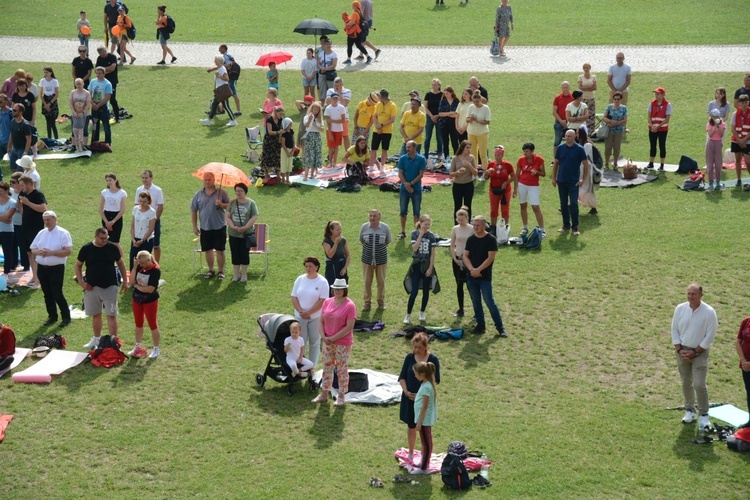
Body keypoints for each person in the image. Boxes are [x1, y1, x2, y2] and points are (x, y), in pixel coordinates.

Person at [671, 283, 717, 432]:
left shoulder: (709, 312)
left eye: (694, 294)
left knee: (698, 384)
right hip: (682, 351)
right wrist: (679, 350)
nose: (690, 297)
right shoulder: (680, 309)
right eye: (689, 294)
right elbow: (675, 329)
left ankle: (704, 414)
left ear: (701, 295)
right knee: (686, 382)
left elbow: (710, 335)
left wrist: (695, 352)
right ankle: (690, 410)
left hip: (699, 353)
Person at [76, 227, 127, 348]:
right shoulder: (86, 248)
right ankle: (97, 339)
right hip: (92, 287)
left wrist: (125, 281)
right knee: (96, 314)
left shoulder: (112, 248)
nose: (105, 240)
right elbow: (78, 265)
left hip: (110, 286)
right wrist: (81, 282)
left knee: (111, 314)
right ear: (96, 237)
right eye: (102, 238)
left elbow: (121, 263)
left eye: (106, 238)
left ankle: (114, 341)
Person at [311, 279, 357, 407]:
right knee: (327, 367)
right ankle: (324, 394)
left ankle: (341, 396)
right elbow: (321, 321)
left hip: (342, 343)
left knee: (341, 368)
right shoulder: (327, 302)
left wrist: (334, 338)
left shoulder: (350, 305)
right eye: (335, 288)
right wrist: (324, 337)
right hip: (327, 341)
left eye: (339, 289)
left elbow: (349, 327)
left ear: (344, 290)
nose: (337, 291)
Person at [398, 332, 440, 463]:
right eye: (414, 347)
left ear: (425, 346)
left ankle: (424, 455)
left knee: (424, 429)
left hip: (423, 399)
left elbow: (436, 380)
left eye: (419, 347)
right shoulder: (409, 358)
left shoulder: (433, 359)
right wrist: (406, 391)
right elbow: (402, 377)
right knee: (411, 426)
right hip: (409, 398)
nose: (416, 350)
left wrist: (421, 394)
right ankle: (411, 452)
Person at [463, 215, 507, 337]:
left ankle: (500, 327)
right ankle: (480, 325)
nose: (475, 227)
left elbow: (490, 257)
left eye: (478, 225)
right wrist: (472, 269)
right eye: (474, 225)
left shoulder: (491, 239)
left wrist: (478, 270)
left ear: (484, 226)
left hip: (485, 277)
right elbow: (465, 256)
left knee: (489, 301)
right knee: (476, 301)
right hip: (471, 276)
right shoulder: (471, 239)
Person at [30, 211, 73, 328]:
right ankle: (52, 316)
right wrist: (40, 252)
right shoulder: (41, 233)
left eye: (48, 219)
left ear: (55, 219)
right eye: (45, 220)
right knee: (47, 294)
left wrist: (51, 253)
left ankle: (66, 317)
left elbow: (68, 251)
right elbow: (32, 249)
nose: (46, 222)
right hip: (42, 268)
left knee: (57, 293)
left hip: (56, 268)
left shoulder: (63, 233)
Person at [291, 257, 329, 368]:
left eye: (310, 266)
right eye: (306, 266)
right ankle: (299, 365)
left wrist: (309, 313)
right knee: (299, 342)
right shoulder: (300, 279)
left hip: (316, 317)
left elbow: (323, 300)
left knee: (314, 342)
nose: (308, 269)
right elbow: (294, 296)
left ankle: (312, 367)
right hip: (300, 317)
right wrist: (301, 311)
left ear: (316, 267)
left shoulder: (322, 282)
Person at [190, 172, 229, 280]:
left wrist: (221, 204)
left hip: (219, 226)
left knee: (220, 250)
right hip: (205, 226)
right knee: (208, 250)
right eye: (205, 180)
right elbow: (193, 210)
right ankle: (211, 270)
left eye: (209, 180)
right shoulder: (198, 194)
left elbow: (230, 206)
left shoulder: (221, 193)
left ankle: (221, 271)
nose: (207, 182)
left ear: (214, 180)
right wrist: (194, 226)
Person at [552, 130, 589, 235]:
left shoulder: (579, 149)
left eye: (569, 136)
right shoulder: (560, 148)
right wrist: (554, 178)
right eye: (566, 136)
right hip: (561, 181)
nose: (567, 138)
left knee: (573, 204)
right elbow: (556, 163)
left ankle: (575, 226)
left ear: (575, 137)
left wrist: (583, 179)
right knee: (563, 204)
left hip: (573, 182)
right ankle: (566, 225)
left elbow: (586, 165)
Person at [127, 250, 162, 359]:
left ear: (148, 260)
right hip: (137, 299)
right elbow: (131, 281)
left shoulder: (155, 270)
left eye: (143, 263)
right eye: (140, 263)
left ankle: (156, 348)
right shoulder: (138, 266)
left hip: (150, 300)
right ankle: (137, 346)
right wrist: (134, 267)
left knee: (152, 323)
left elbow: (150, 289)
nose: (142, 266)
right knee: (138, 323)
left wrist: (138, 287)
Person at [404, 214, 437, 324]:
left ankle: (422, 312)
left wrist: (431, 267)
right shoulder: (414, 233)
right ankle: (408, 314)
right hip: (417, 264)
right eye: (425, 224)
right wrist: (421, 235)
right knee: (414, 292)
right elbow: (414, 248)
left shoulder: (431, 235)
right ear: (420, 223)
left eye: (428, 224)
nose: (427, 226)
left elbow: (432, 254)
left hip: (427, 264)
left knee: (426, 291)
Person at [17, 174, 46, 288]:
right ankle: (34, 276)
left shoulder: (38, 194)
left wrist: (28, 203)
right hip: (25, 227)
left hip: (36, 228)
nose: (21, 188)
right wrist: (22, 210)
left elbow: (43, 208)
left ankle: (38, 280)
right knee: (29, 253)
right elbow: (19, 202)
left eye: (22, 185)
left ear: (30, 184)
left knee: (35, 254)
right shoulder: (22, 194)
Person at [225, 183, 258, 283]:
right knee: (235, 253)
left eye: (241, 191)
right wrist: (233, 226)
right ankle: (236, 275)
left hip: (246, 233)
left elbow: (254, 216)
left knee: (244, 254)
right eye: (237, 191)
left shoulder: (251, 203)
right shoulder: (232, 203)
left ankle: (244, 275)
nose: (238, 193)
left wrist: (246, 227)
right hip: (233, 233)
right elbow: (227, 216)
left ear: (245, 191)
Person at [359, 209, 391, 311]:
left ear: (379, 217)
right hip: (367, 260)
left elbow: (388, 241)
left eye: (374, 216)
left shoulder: (385, 228)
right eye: (371, 216)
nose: (372, 218)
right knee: (367, 282)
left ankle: (381, 302)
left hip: (381, 260)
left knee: (381, 282)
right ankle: (367, 302)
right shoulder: (364, 227)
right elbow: (361, 240)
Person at [411, 361, 438, 474]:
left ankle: (423, 468)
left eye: (416, 374)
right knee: (424, 442)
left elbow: (425, 406)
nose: (415, 376)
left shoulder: (427, 386)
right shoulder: (425, 383)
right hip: (423, 420)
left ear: (422, 374)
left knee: (426, 443)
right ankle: (423, 461)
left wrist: (419, 423)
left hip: (424, 421)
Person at [514, 142, 546, 237]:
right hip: (522, 185)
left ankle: (542, 229)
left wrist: (536, 172)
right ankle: (525, 227)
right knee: (523, 205)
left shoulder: (539, 160)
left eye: (527, 151)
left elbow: (543, 173)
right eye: (524, 151)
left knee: (535, 207)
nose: (525, 153)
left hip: (533, 186)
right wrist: (515, 189)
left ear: (532, 151)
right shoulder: (521, 160)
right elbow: (517, 175)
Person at [397, 140, 426, 239]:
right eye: (406, 147)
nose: (407, 149)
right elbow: (400, 173)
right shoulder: (402, 158)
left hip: (416, 189)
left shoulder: (421, 159)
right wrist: (406, 184)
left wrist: (411, 184)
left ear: (415, 148)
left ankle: (417, 232)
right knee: (403, 211)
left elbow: (421, 174)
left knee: (416, 212)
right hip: (404, 189)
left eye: (409, 147)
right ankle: (403, 231)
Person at [135, 170, 164, 263]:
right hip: (142, 221)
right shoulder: (139, 190)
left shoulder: (157, 190)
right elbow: (136, 205)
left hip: (154, 220)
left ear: (151, 178)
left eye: (146, 178)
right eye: (143, 178)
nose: (144, 180)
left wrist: (154, 220)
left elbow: (160, 207)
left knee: (156, 244)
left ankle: (156, 264)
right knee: (141, 242)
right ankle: (142, 263)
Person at [200, 55, 237, 128]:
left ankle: (233, 121)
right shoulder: (220, 67)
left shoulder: (222, 69)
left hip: (223, 90)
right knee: (214, 104)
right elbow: (217, 67)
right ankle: (209, 120)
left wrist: (218, 76)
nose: (214, 61)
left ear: (218, 61)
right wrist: (211, 70)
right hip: (219, 90)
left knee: (226, 106)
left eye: (215, 60)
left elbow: (227, 79)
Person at [485, 145, 515, 233]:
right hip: (493, 190)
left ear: (502, 155)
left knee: (505, 209)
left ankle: (505, 227)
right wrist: (486, 173)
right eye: (495, 155)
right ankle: (493, 227)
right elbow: (486, 177)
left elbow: (514, 176)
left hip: (505, 191)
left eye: (499, 155)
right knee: (493, 209)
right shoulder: (491, 164)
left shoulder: (507, 165)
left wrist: (506, 182)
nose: (497, 157)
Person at [450, 208, 473, 317]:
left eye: (462, 220)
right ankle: (461, 309)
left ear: (467, 219)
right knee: (459, 284)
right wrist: (454, 257)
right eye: (458, 219)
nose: (460, 222)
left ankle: (476, 311)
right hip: (458, 259)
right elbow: (452, 244)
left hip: (468, 260)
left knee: (470, 285)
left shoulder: (472, 229)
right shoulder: (455, 229)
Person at [449, 139, 477, 223]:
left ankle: (467, 224)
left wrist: (469, 165)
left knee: (468, 206)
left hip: (468, 185)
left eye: (470, 148)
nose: (469, 150)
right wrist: (457, 172)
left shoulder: (471, 158)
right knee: (457, 206)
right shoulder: (455, 158)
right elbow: (451, 173)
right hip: (457, 185)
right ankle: (457, 224)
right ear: (462, 148)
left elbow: (475, 173)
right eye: (467, 148)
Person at [98, 173, 127, 256]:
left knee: (115, 242)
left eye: (110, 180)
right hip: (106, 215)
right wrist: (106, 221)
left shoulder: (122, 193)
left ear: (115, 180)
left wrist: (113, 221)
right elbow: (100, 208)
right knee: (105, 241)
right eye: (107, 180)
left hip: (117, 217)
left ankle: (120, 261)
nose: (109, 182)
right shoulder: (104, 192)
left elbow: (122, 209)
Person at [370, 88, 398, 169]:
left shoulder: (392, 106)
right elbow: (374, 116)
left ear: (382, 97)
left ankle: (382, 166)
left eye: (379, 96)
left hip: (387, 131)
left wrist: (381, 125)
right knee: (373, 149)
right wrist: (377, 126)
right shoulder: (378, 104)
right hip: (376, 130)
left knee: (384, 149)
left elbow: (392, 119)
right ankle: (371, 166)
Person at [129, 191, 156, 270]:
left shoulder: (151, 212)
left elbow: (151, 228)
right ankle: (133, 279)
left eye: (144, 201)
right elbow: (133, 225)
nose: (142, 203)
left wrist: (142, 240)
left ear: (148, 201)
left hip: (146, 240)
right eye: (140, 201)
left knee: (144, 263)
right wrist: (133, 239)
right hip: (135, 239)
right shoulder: (136, 209)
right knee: (133, 260)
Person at [646, 87, 671, 171]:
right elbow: (649, 116)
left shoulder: (667, 104)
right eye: (656, 94)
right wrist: (652, 125)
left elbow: (667, 118)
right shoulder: (652, 103)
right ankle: (651, 163)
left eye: (658, 94)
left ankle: (662, 164)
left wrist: (658, 126)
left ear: (663, 95)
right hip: (652, 128)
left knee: (662, 145)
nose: (656, 95)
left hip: (662, 129)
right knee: (652, 145)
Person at [601, 91, 628, 169]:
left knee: (617, 147)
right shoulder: (609, 107)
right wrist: (610, 121)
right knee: (608, 147)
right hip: (609, 130)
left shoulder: (624, 108)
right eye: (615, 99)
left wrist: (617, 123)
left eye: (618, 99)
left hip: (619, 130)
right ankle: (606, 164)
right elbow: (604, 117)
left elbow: (625, 120)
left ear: (621, 100)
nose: (616, 100)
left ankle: (615, 164)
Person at [94, 47, 120, 125]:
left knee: (112, 99)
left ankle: (117, 117)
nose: (102, 55)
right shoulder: (99, 58)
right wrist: (103, 71)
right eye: (100, 54)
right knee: (100, 99)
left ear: (106, 51)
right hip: (102, 82)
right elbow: (97, 70)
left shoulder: (112, 57)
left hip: (112, 81)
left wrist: (102, 71)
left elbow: (112, 68)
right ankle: (100, 117)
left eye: (103, 53)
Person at [325, 78, 352, 151]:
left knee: (345, 136)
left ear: (342, 85)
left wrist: (339, 94)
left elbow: (345, 103)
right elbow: (327, 103)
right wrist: (334, 94)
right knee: (332, 136)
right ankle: (330, 155)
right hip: (332, 118)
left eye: (338, 85)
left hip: (343, 118)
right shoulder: (330, 91)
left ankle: (348, 154)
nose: (336, 87)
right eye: (335, 85)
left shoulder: (347, 91)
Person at [323, 221, 351, 289]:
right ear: (331, 230)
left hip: (341, 265)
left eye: (340, 229)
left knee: (343, 287)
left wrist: (345, 268)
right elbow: (330, 255)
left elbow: (348, 255)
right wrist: (336, 243)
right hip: (332, 266)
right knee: (332, 286)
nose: (340, 231)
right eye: (337, 230)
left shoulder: (343, 240)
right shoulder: (326, 241)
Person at [466, 90, 491, 167]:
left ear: (480, 100)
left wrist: (477, 120)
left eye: (477, 101)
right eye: (474, 102)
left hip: (482, 133)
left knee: (482, 153)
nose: (475, 103)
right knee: (472, 153)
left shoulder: (486, 108)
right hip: (471, 132)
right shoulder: (471, 107)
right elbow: (467, 119)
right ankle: (474, 170)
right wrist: (471, 119)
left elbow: (487, 121)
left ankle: (485, 170)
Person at [730, 94, 750, 188]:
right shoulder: (735, 114)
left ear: (748, 102)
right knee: (737, 160)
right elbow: (733, 128)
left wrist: (744, 140)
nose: (744, 104)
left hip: (748, 141)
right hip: (736, 140)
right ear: (739, 103)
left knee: (748, 161)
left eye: (746, 102)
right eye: (742, 103)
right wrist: (739, 140)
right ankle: (739, 179)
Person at [88, 67, 112, 145]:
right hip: (94, 106)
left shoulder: (107, 84)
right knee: (95, 125)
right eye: (97, 73)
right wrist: (92, 103)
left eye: (100, 73)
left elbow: (108, 97)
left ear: (104, 74)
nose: (98, 75)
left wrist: (99, 105)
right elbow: (89, 93)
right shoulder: (93, 81)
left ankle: (108, 142)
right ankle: (94, 142)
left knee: (106, 126)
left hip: (103, 107)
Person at [9, 173, 27, 272]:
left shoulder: (24, 194)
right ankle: (13, 264)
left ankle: (25, 264)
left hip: (20, 223)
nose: (11, 184)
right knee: (12, 244)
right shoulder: (10, 192)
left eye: (13, 182)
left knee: (22, 245)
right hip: (11, 223)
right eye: (10, 182)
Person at [577, 128, 597, 215]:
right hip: (582, 168)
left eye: (577, 133)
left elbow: (583, 156)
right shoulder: (581, 144)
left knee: (586, 188)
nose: (576, 135)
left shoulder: (587, 145)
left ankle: (571, 205)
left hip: (587, 169)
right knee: (585, 188)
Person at [260, 106, 283, 181]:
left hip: (277, 141)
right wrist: (278, 132)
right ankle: (266, 175)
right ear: (276, 112)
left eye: (282, 114)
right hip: (269, 141)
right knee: (267, 157)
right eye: (280, 114)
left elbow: (281, 128)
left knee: (277, 157)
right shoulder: (269, 120)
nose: (281, 116)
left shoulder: (280, 120)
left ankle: (278, 175)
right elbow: (269, 132)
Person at [7, 104, 32, 173]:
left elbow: (29, 139)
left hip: (22, 149)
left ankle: (20, 182)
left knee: (20, 170)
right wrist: (9, 146)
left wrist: (26, 151)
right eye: (12, 110)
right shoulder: (13, 122)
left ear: (20, 112)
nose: (13, 111)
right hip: (14, 149)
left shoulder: (25, 124)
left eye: (15, 110)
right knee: (12, 168)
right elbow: (11, 134)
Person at [705, 109, 726, 193]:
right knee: (709, 164)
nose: (716, 118)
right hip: (711, 143)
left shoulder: (722, 124)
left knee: (718, 163)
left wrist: (719, 127)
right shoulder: (709, 124)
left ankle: (718, 181)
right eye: (714, 117)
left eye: (717, 116)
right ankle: (710, 182)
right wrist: (715, 128)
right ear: (712, 117)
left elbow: (721, 135)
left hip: (718, 143)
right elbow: (710, 135)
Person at [552, 81, 574, 158]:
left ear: (569, 87)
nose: (565, 89)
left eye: (566, 87)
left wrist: (567, 121)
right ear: (561, 88)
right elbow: (554, 112)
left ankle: (570, 157)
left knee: (571, 141)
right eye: (563, 87)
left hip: (571, 123)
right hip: (559, 123)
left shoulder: (573, 97)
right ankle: (555, 159)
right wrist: (561, 121)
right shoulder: (557, 98)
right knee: (557, 141)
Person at [303, 102, 324, 181]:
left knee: (315, 153)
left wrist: (316, 125)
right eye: (314, 109)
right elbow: (306, 125)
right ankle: (305, 175)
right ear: (311, 109)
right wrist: (310, 119)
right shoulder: (307, 116)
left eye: (317, 109)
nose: (316, 111)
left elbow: (322, 129)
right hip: (309, 136)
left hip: (317, 136)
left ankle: (312, 174)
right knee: (309, 154)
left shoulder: (320, 119)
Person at [735, 316, 750, 429]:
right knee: (749, 393)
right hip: (746, 366)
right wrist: (743, 360)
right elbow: (738, 341)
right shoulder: (746, 321)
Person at [324, 93, 347, 168]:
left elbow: (343, 120)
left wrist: (333, 120)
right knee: (331, 147)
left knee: (336, 147)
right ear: (331, 99)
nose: (335, 100)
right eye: (334, 98)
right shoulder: (328, 108)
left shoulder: (342, 107)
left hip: (339, 130)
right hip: (331, 130)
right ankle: (330, 162)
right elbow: (328, 122)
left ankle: (335, 162)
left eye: (336, 98)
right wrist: (330, 133)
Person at [423, 79, 443, 161]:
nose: (434, 86)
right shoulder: (428, 94)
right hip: (430, 117)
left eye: (435, 85)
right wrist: (431, 116)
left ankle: (439, 154)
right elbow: (425, 106)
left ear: (439, 85)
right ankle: (426, 154)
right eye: (433, 85)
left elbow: (443, 106)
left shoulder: (442, 95)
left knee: (439, 137)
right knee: (428, 137)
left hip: (439, 117)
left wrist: (437, 116)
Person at [438, 86, 460, 159]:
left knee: (455, 142)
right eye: (445, 93)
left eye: (447, 93)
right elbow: (440, 113)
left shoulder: (457, 101)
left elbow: (457, 114)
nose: (446, 95)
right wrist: (449, 113)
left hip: (454, 124)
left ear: (451, 93)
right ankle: (446, 158)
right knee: (445, 142)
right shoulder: (443, 101)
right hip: (444, 124)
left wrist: (450, 114)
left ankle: (456, 157)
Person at [0, 182, 17, 275]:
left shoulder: (12, 203)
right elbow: (5, 218)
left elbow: (8, 219)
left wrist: (5, 218)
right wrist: (4, 217)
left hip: (7, 231)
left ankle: (7, 271)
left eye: (1, 191)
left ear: (7, 190)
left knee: (7, 252)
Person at [38, 67, 59, 140]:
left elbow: (57, 94)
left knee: (52, 122)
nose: (45, 74)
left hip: (52, 100)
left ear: (50, 73)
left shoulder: (54, 81)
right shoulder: (42, 81)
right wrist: (45, 104)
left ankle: (56, 138)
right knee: (48, 122)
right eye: (44, 72)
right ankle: (49, 138)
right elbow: (40, 94)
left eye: (47, 72)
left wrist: (50, 104)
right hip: (45, 99)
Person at [218, 44, 239, 114]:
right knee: (228, 93)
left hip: (229, 77)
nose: (219, 50)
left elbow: (228, 66)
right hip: (231, 77)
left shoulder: (226, 56)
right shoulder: (229, 55)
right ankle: (221, 108)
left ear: (224, 48)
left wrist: (221, 65)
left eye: (220, 49)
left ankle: (221, 109)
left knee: (230, 93)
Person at [69, 79, 90, 151]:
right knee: (74, 129)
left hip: (84, 114)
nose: (78, 86)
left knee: (84, 129)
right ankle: (74, 145)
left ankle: (84, 144)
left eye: (79, 84)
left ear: (83, 84)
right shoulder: (73, 92)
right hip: (75, 114)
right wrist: (74, 112)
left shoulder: (87, 93)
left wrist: (83, 113)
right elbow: (71, 103)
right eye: (77, 84)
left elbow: (88, 104)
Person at [577, 63, 597, 131]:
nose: (586, 69)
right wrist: (589, 87)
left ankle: (591, 131)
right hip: (583, 98)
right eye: (585, 67)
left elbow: (594, 87)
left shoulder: (593, 77)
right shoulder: (580, 77)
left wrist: (584, 88)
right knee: (583, 114)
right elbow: (580, 87)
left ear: (590, 68)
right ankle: (582, 129)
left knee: (591, 114)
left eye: (587, 67)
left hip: (591, 98)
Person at [279, 117, 295, 185]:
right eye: (289, 124)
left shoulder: (291, 131)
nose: (291, 125)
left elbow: (293, 141)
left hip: (290, 150)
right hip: (285, 150)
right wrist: (287, 152)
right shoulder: (284, 133)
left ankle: (288, 179)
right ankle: (283, 179)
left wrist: (292, 151)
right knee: (284, 165)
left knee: (289, 165)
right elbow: (283, 144)